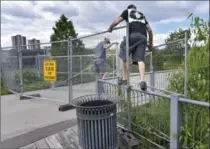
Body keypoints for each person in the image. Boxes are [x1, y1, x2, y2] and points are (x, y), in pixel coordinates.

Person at [107, 4, 154, 91]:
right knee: (140, 60)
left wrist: (110, 28)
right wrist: (151, 45)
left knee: (122, 56)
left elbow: (117, 21)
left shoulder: (127, 11)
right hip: (143, 38)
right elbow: (150, 30)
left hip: (132, 36)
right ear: (136, 9)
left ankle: (125, 79)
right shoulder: (142, 15)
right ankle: (142, 80)